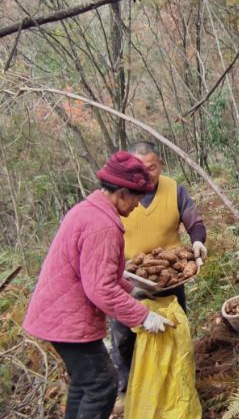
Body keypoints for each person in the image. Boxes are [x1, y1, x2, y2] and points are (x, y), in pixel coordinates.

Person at [23, 152, 175, 419]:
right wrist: (144, 316)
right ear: (122, 193)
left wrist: (132, 290)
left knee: (84, 384)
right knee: (101, 386)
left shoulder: (87, 210)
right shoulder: (102, 225)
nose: (138, 205)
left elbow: (95, 272)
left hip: (56, 313)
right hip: (67, 318)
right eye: (137, 198)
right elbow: (101, 288)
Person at [109, 141, 208, 412]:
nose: (146, 174)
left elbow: (194, 221)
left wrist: (197, 241)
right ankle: (125, 390)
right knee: (124, 336)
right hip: (127, 276)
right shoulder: (121, 195)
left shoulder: (174, 190)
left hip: (171, 276)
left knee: (174, 329)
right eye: (140, 168)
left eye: (152, 168)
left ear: (161, 165)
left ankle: (180, 383)